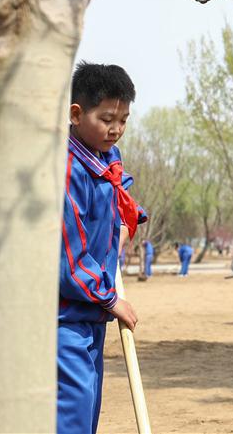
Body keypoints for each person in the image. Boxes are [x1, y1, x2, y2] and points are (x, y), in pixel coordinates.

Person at [58, 62, 147, 434]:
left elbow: (120, 191)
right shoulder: (63, 169)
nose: (116, 129)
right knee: (71, 413)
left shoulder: (107, 155)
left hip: (91, 318)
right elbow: (66, 254)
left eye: (123, 120)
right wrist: (111, 300)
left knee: (89, 409)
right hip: (62, 318)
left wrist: (127, 220)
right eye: (107, 118)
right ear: (76, 114)